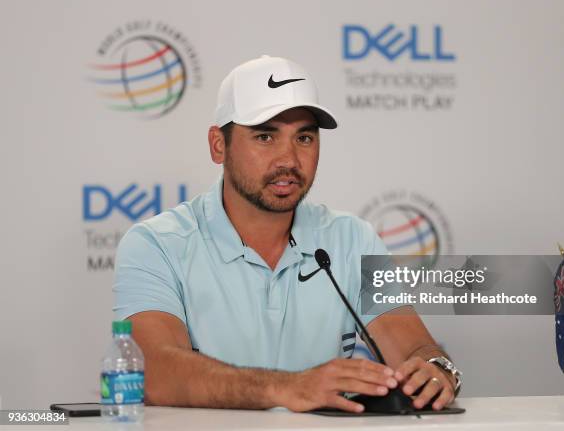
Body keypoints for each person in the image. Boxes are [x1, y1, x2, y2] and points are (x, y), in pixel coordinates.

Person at [113, 55, 462, 413]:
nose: (289, 160)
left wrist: (436, 371)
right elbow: (152, 371)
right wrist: (288, 388)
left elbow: (416, 350)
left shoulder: (352, 238)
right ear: (219, 145)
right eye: (265, 136)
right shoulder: (156, 244)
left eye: (305, 137)